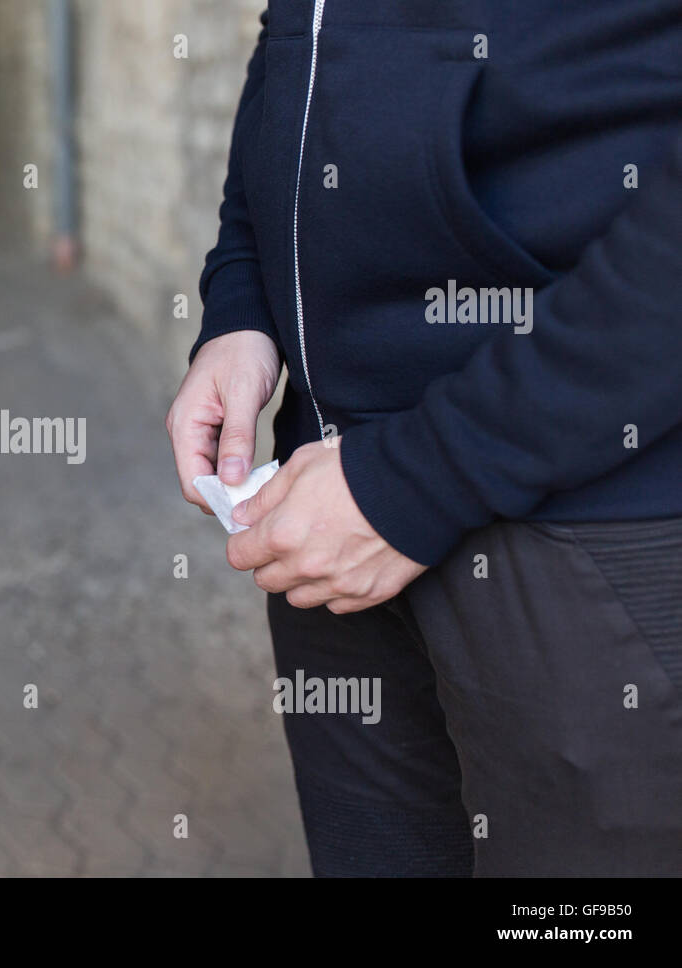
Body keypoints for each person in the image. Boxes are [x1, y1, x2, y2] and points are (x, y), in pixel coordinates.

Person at [168, 1, 682, 875]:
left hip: (587, 510)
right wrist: (242, 300)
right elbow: (297, 42)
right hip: (328, 502)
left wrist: (418, 480)